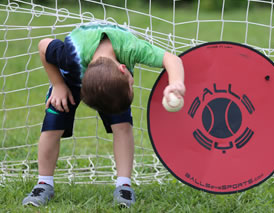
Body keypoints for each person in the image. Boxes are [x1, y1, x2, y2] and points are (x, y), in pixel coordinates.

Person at [22, 23, 185, 208]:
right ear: (123, 69)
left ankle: (124, 185)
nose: (133, 86)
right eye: (131, 86)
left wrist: (176, 84)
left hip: (105, 78)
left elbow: (172, 59)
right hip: (70, 78)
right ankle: (44, 183)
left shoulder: (131, 48)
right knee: (53, 125)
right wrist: (58, 84)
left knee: (123, 125)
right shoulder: (69, 55)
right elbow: (44, 45)